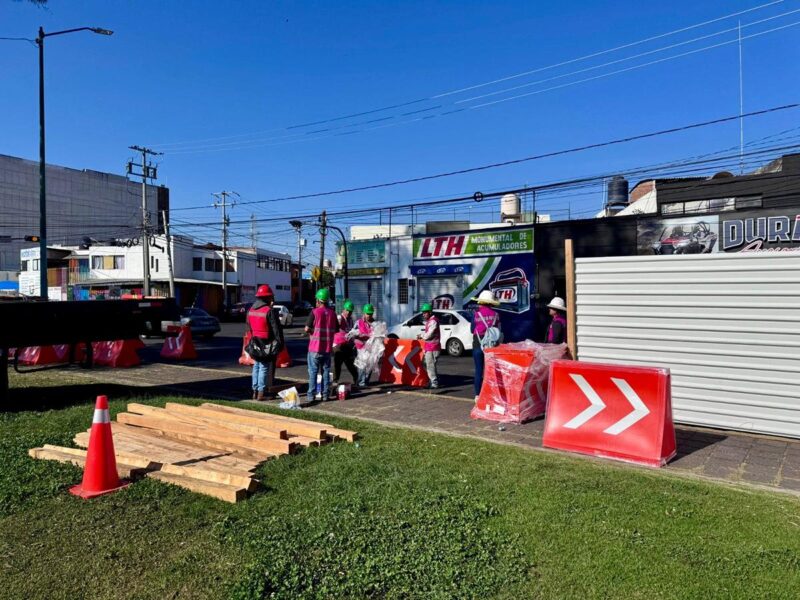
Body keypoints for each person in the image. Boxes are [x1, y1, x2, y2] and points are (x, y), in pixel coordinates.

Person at [247, 284, 284, 401]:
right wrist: (280, 344)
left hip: (255, 342)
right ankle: (261, 393)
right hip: (266, 343)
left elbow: (249, 326)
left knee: (256, 366)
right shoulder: (269, 311)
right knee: (263, 367)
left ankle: (255, 391)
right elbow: (276, 330)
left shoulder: (251, 310)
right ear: (267, 297)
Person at [304, 288, 337, 403]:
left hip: (314, 348)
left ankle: (311, 396)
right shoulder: (333, 314)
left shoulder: (314, 312)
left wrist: (311, 332)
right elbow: (336, 329)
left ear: (318, 300)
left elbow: (307, 328)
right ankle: (325, 395)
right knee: (326, 372)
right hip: (327, 348)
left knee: (313, 372)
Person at [471, 290, 501, 401]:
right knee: (491, 370)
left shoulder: (476, 314)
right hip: (491, 345)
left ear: (482, 302)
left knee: (479, 370)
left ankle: (478, 395)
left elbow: (471, 329)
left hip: (478, 344)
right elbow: (497, 330)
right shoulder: (496, 315)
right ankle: (492, 394)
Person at [333, 299, 358, 387]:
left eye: (350, 311)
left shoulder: (351, 320)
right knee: (337, 364)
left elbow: (351, 331)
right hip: (338, 345)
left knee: (350, 363)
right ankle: (335, 381)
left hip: (347, 345)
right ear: (344, 309)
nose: (348, 313)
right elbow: (335, 325)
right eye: (347, 310)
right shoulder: (340, 317)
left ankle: (356, 379)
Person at [417, 302, 441, 389]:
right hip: (430, 347)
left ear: (430, 312)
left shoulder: (433, 321)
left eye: (425, 312)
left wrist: (421, 336)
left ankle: (434, 383)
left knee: (430, 365)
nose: (423, 314)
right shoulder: (430, 321)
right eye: (423, 312)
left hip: (433, 347)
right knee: (428, 365)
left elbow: (428, 335)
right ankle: (432, 380)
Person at [352, 303, 375, 387]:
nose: (369, 315)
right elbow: (352, 334)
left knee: (370, 365)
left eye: (371, 314)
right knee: (361, 365)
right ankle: (361, 382)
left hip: (370, 347)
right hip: (361, 347)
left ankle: (366, 381)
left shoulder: (374, 323)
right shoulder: (358, 322)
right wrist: (358, 336)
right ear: (364, 313)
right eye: (368, 313)